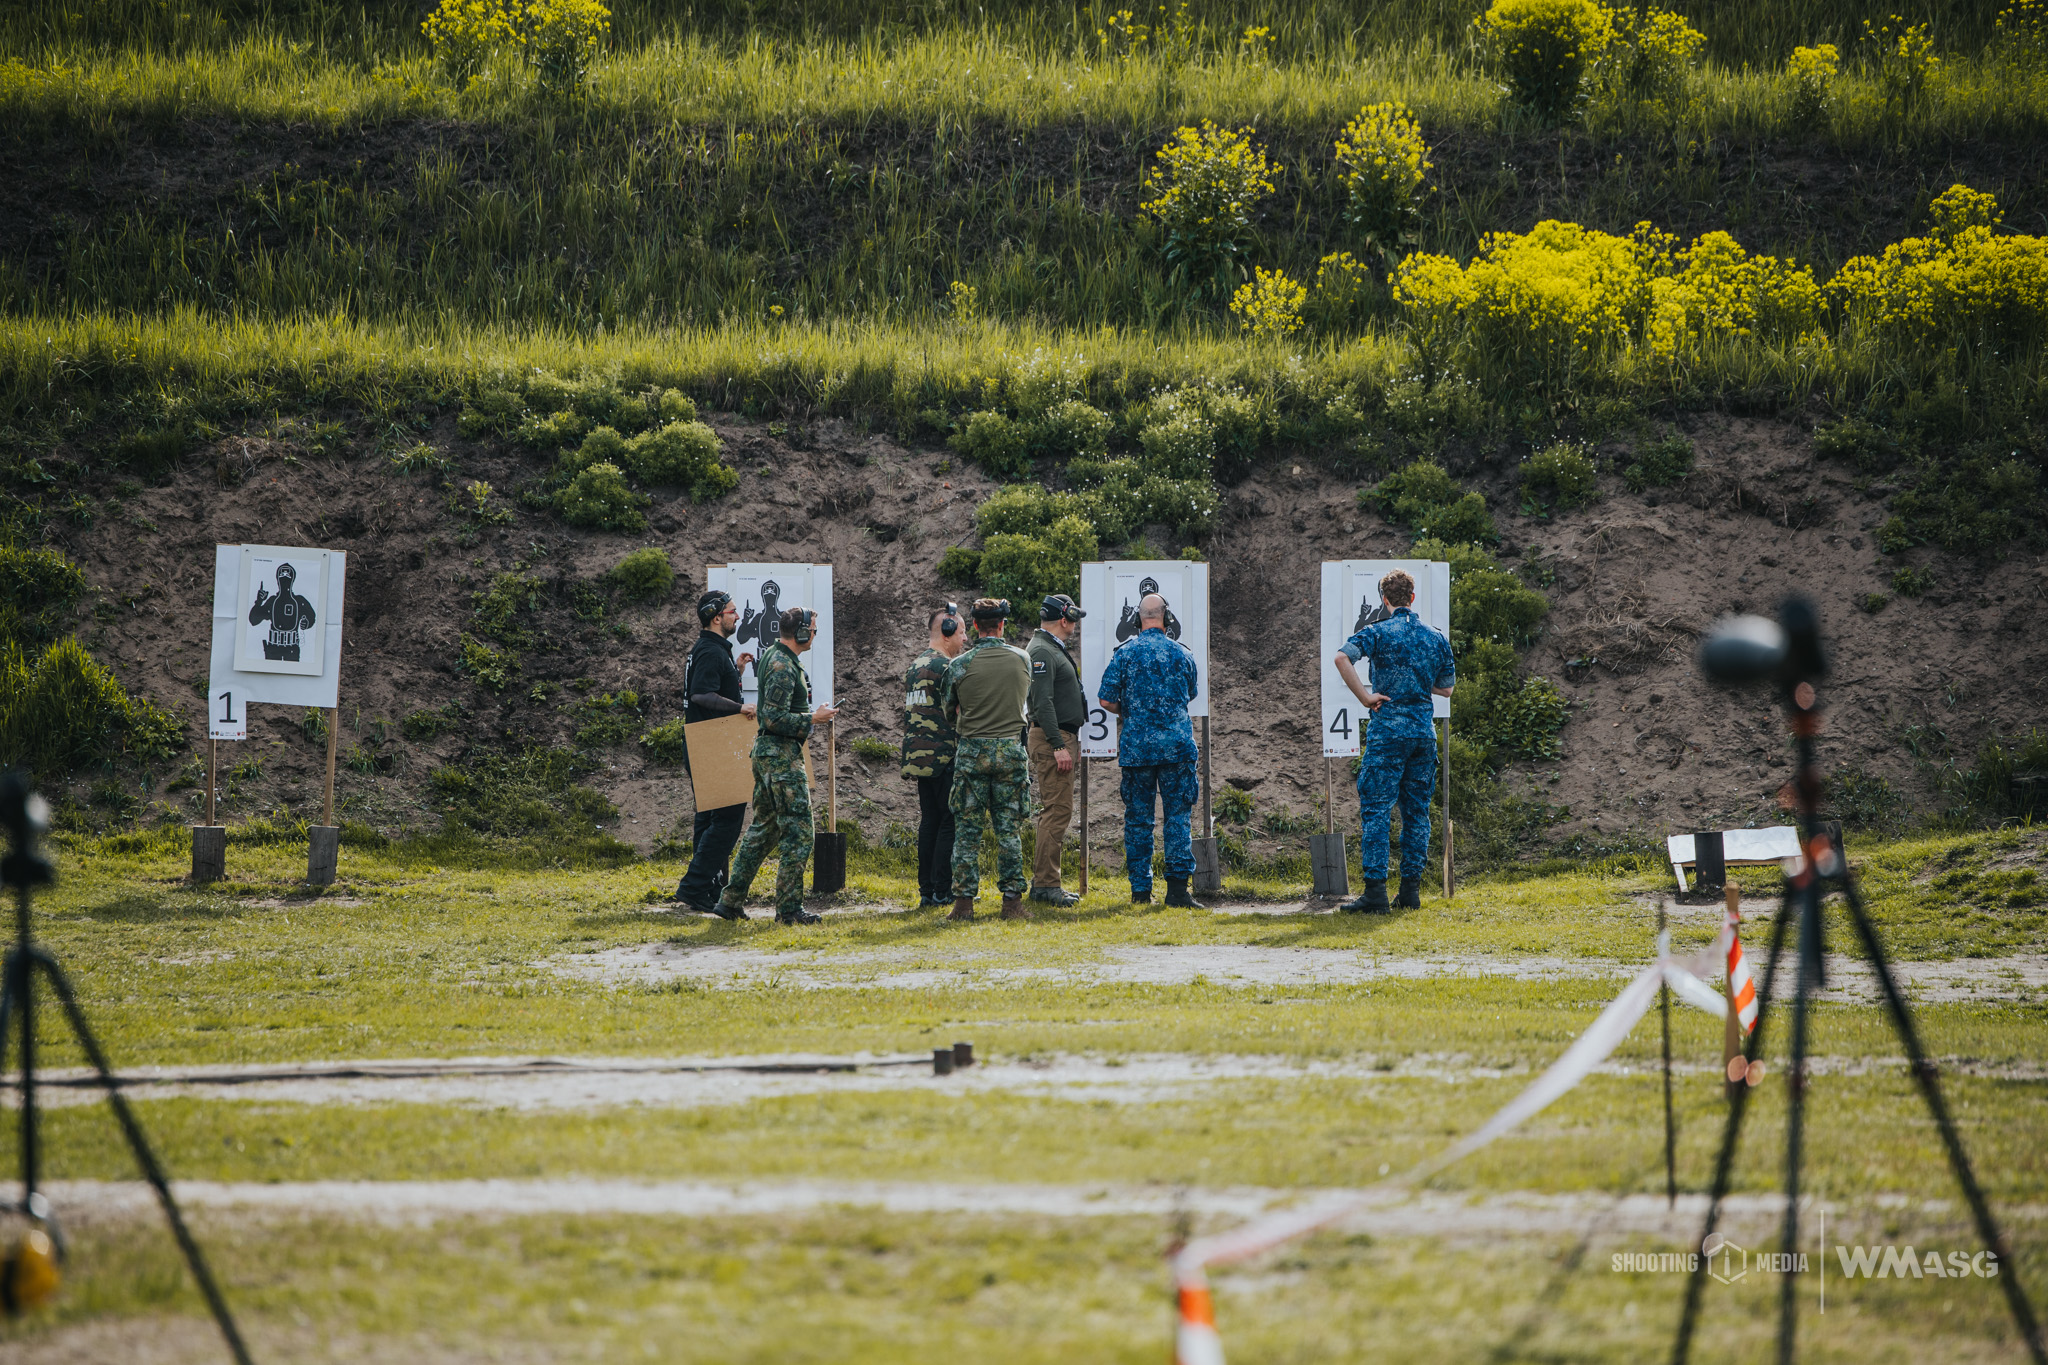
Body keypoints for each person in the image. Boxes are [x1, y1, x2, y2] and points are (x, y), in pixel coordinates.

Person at [1333, 569, 1455, 914]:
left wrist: (1366, 697)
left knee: (1377, 810)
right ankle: (1410, 892)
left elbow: (1342, 657)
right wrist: (1416, 680)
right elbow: (1445, 688)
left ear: (1385, 600)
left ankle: (1375, 894)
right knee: (1417, 813)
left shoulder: (1376, 631)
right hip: (1422, 734)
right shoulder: (1435, 637)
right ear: (1412, 598)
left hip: (1388, 734)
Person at [717, 607, 838, 925]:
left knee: (764, 829)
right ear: (799, 633)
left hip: (770, 755)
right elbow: (772, 717)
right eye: (812, 628)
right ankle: (788, 909)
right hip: (781, 758)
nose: (814, 634)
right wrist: (813, 718)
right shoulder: (784, 664)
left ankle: (729, 901)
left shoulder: (774, 654)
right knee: (799, 834)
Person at [1097, 593, 1201, 908]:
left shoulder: (1123, 654)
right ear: (1167, 619)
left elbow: (1105, 699)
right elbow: (1190, 693)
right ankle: (1178, 892)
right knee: (1178, 817)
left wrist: (1130, 712)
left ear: (1136, 620)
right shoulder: (1182, 654)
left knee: (1138, 820)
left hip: (1137, 749)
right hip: (1176, 748)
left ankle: (1140, 892)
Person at [939, 598, 1033, 922]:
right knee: (1009, 831)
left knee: (967, 832)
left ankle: (963, 904)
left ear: (975, 626)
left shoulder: (959, 666)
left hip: (972, 753)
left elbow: (948, 711)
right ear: (1003, 625)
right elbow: (1025, 703)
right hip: (1010, 751)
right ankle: (1011, 902)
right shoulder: (1022, 659)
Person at [673, 591, 757, 918]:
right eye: (733, 612)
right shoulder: (709, 651)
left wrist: (734, 672)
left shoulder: (711, 650)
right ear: (716, 617)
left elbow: (711, 688)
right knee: (728, 821)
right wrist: (740, 707)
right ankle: (694, 886)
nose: (738, 617)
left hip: (704, 744)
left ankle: (706, 891)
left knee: (708, 820)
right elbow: (700, 695)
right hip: (711, 745)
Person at [901, 602, 967, 909]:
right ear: (948, 630)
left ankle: (927, 891)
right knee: (948, 821)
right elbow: (960, 710)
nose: (964, 639)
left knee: (929, 821)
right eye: (962, 631)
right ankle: (943, 890)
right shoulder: (947, 667)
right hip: (943, 755)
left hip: (919, 756)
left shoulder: (915, 665)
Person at [1025, 593, 1087, 906]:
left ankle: (1045, 883)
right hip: (1053, 738)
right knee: (1057, 811)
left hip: (1059, 736)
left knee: (1058, 810)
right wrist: (1058, 744)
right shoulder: (1041, 649)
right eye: (1073, 619)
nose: (1075, 625)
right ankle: (1046, 885)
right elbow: (1042, 701)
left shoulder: (1048, 648)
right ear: (1064, 619)